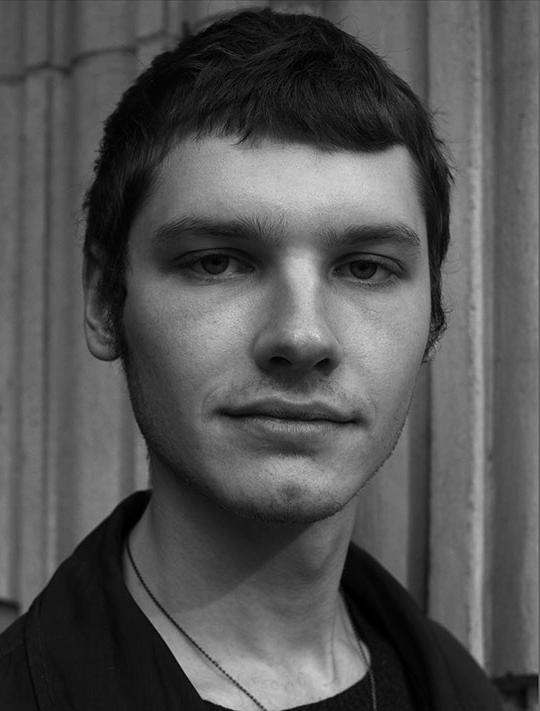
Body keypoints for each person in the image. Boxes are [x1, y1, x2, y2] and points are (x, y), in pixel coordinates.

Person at [0, 8, 502, 710]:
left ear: (435, 314)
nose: (302, 336)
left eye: (364, 268)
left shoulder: (459, 690)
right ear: (105, 302)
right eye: (218, 262)